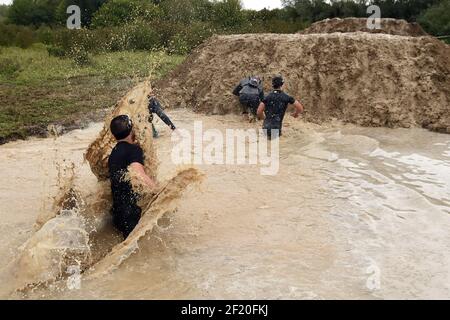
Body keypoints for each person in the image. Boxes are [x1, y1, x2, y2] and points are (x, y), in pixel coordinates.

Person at [108, 115, 157, 238]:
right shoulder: (133, 150)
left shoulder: (113, 153)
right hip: (130, 215)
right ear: (132, 131)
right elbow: (139, 174)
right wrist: (159, 192)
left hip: (117, 213)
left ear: (114, 136)